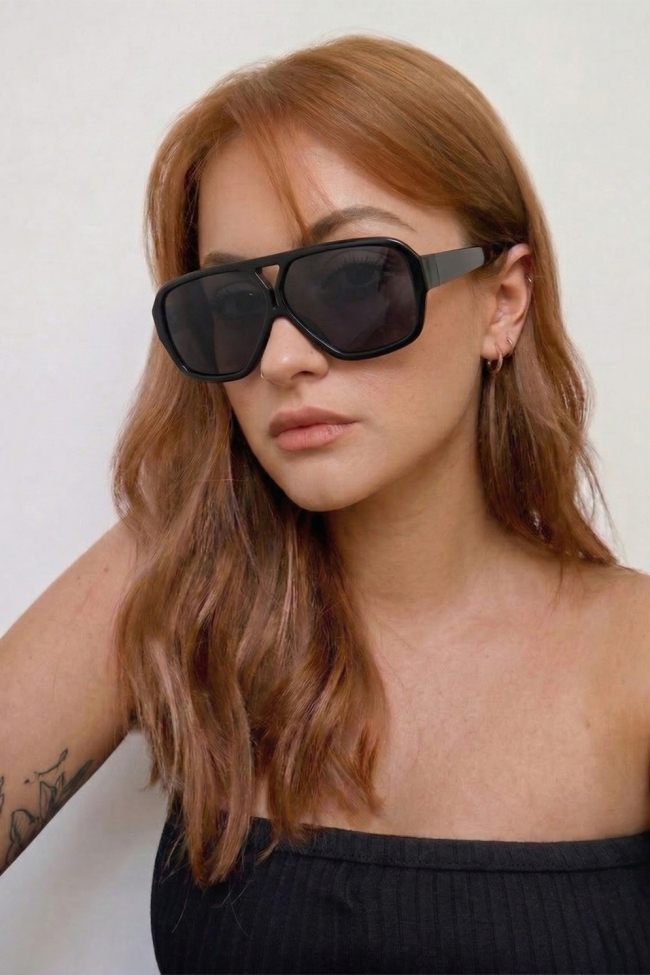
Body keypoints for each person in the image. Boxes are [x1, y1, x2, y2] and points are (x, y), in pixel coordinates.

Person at [1, 31, 649, 975]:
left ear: (503, 301)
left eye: (351, 282)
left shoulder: (633, 660)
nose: (280, 359)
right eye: (231, 305)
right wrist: (164, 535)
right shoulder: (180, 590)